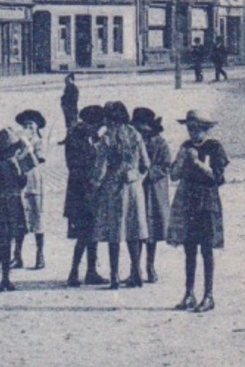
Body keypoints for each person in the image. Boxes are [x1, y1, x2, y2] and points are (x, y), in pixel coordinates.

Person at [167, 109, 229, 313]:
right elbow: (174, 176)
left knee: (206, 249)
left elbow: (218, 178)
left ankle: (209, 295)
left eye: (196, 129)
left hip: (207, 201)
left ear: (205, 129)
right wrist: (180, 162)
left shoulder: (214, 147)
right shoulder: (185, 147)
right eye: (189, 128)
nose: (192, 132)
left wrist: (198, 164)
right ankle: (189, 294)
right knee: (189, 249)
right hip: (187, 201)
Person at [91, 101, 150, 288]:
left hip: (113, 186)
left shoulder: (107, 138)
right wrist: (136, 177)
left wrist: (94, 186)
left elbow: (100, 169)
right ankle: (136, 272)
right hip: (133, 188)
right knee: (134, 230)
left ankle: (114, 276)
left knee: (114, 232)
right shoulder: (136, 134)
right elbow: (146, 164)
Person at [0, 128, 30, 293]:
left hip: (3, 206)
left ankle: (3, 278)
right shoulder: (3, 165)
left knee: (4, 243)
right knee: (3, 244)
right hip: (5, 206)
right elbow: (21, 182)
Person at [62, 105, 106, 287]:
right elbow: (78, 163)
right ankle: (75, 272)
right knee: (84, 233)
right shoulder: (79, 138)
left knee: (90, 232)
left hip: (82, 190)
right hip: (82, 191)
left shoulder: (81, 135)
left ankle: (89, 271)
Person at [134, 106, 172, 284]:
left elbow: (165, 166)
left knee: (152, 231)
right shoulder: (134, 140)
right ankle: (136, 268)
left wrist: (148, 174)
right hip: (138, 190)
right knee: (136, 229)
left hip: (154, 191)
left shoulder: (160, 143)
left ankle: (150, 265)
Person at [12, 109, 47, 270]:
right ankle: (17, 256)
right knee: (19, 219)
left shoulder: (39, 142)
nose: (28, 127)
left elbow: (37, 160)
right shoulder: (17, 142)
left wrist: (26, 148)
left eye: (31, 124)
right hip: (20, 183)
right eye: (25, 124)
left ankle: (40, 256)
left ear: (37, 126)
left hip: (34, 183)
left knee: (37, 219)